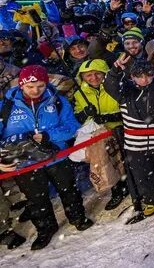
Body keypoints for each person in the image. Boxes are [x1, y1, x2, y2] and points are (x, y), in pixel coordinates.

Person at [0, 65, 92, 250]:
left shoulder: (57, 100)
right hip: (25, 163)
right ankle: (45, 229)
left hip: (56, 156)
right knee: (36, 199)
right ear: (21, 86)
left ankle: (77, 217)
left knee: (68, 189)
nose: (35, 91)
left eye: (40, 86)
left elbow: (72, 126)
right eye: (30, 87)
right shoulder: (7, 106)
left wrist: (48, 135)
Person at [105, 59, 154, 220]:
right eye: (140, 76)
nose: (145, 79)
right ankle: (150, 200)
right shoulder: (125, 91)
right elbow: (109, 85)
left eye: (148, 75)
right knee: (142, 174)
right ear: (132, 76)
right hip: (135, 144)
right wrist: (115, 69)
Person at [72, 59, 128, 211]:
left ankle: (130, 184)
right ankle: (117, 189)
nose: (93, 78)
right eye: (88, 75)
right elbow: (77, 116)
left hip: (120, 130)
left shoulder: (114, 87)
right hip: (99, 136)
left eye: (97, 73)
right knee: (107, 162)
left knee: (124, 159)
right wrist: (85, 113)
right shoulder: (79, 94)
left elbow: (127, 108)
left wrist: (108, 117)